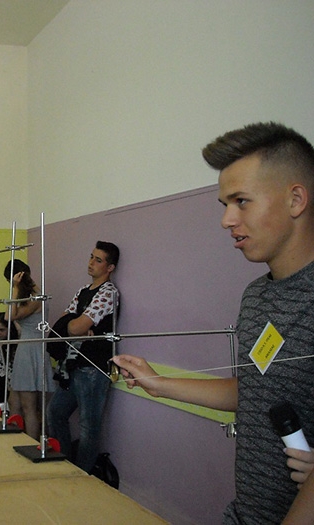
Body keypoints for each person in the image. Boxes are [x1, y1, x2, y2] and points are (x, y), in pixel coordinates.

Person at [111, 122, 314, 524]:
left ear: (295, 200)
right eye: (224, 204)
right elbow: (254, 391)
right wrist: (159, 383)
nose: (226, 220)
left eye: (241, 201)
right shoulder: (256, 296)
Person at [46, 241, 120, 473]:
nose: (91, 263)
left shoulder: (108, 293)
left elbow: (76, 327)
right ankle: (65, 464)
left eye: (98, 260)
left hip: (93, 367)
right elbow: (64, 323)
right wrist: (75, 325)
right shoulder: (83, 291)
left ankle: (83, 475)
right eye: (91, 257)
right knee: (55, 413)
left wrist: (75, 326)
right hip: (73, 363)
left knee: (89, 426)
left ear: (110, 267)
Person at [4, 259, 55, 441]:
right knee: (14, 402)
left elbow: (9, 316)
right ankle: (14, 441)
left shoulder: (35, 297)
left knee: (29, 406)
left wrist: (15, 289)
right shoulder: (30, 296)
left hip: (31, 348)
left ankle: (32, 445)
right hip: (26, 347)